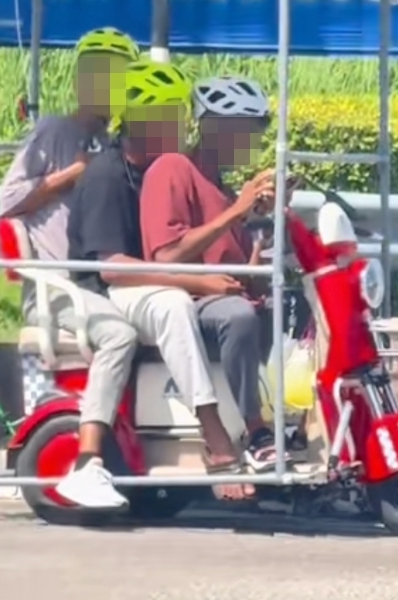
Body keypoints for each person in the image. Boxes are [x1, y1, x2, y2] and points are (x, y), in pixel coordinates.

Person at [66, 60, 257, 501]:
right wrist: (199, 284)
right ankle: (212, 437)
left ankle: (255, 425)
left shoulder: (161, 171)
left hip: (135, 285)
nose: (178, 128)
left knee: (181, 300)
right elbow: (113, 269)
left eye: (178, 117)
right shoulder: (107, 175)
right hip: (99, 292)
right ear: (139, 122)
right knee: (166, 307)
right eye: (166, 119)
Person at [0, 27, 141, 509]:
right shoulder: (58, 130)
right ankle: (88, 460)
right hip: (63, 291)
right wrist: (70, 175)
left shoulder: (109, 140)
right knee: (121, 335)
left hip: (95, 278)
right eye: (101, 76)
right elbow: (10, 199)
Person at [138, 76, 290, 472]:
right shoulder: (172, 169)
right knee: (237, 315)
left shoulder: (223, 189)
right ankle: (256, 431)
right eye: (247, 134)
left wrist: (262, 227)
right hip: (186, 302)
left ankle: (296, 415)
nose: (253, 144)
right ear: (215, 131)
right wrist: (237, 212)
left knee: (291, 303)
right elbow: (166, 256)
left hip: (225, 295)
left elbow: (245, 275)